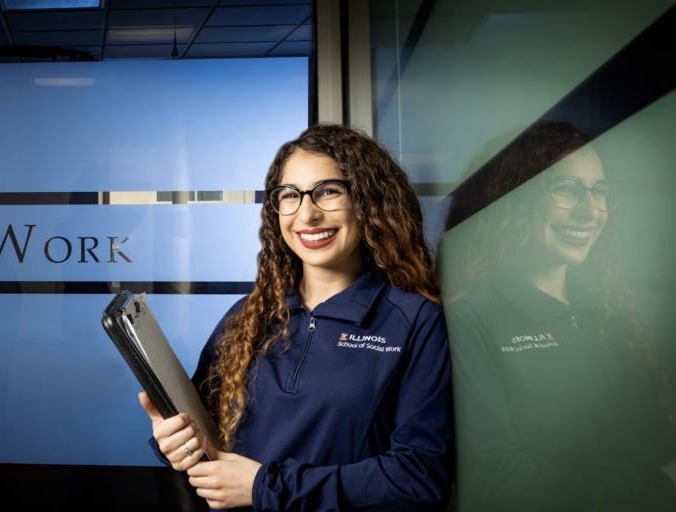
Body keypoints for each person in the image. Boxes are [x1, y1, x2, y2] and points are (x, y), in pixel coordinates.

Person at [138, 124, 453, 510]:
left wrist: (265, 487)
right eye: (290, 195)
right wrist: (173, 442)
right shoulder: (248, 315)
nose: (308, 213)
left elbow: (419, 477)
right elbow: (205, 436)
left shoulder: (413, 319)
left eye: (329, 191)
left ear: (368, 201)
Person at [440, 121, 676, 511]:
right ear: (513, 197)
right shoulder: (470, 317)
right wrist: (657, 488)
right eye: (566, 189)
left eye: (600, 192)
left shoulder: (609, 309)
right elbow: (496, 481)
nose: (591, 211)